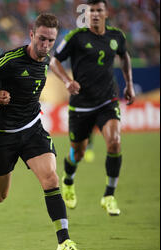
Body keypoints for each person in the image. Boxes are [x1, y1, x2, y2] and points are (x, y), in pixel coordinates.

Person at [0, 13, 84, 250]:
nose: (45, 45)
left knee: (51, 178)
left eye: (50, 40)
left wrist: (66, 82)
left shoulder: (46, 59)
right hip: (2, 134)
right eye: (41, 39)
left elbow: (52, 65)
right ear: (31, 35)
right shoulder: (10, 60)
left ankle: (64, 241)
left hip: (32, 129)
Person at [50, 0, 135, 216]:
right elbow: (54, 61)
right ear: (86, 14)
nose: (95, 14)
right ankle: (68, 180)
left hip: (108, 101)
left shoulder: (116, 37)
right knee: (77, 153)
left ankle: (109, 195)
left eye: (99, 10)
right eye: (91, 11)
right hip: (81, 105)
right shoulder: (76, 38)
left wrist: (129, 85)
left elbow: (124, 56)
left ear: (106, 13)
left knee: (114, 143)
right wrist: (67, 81)